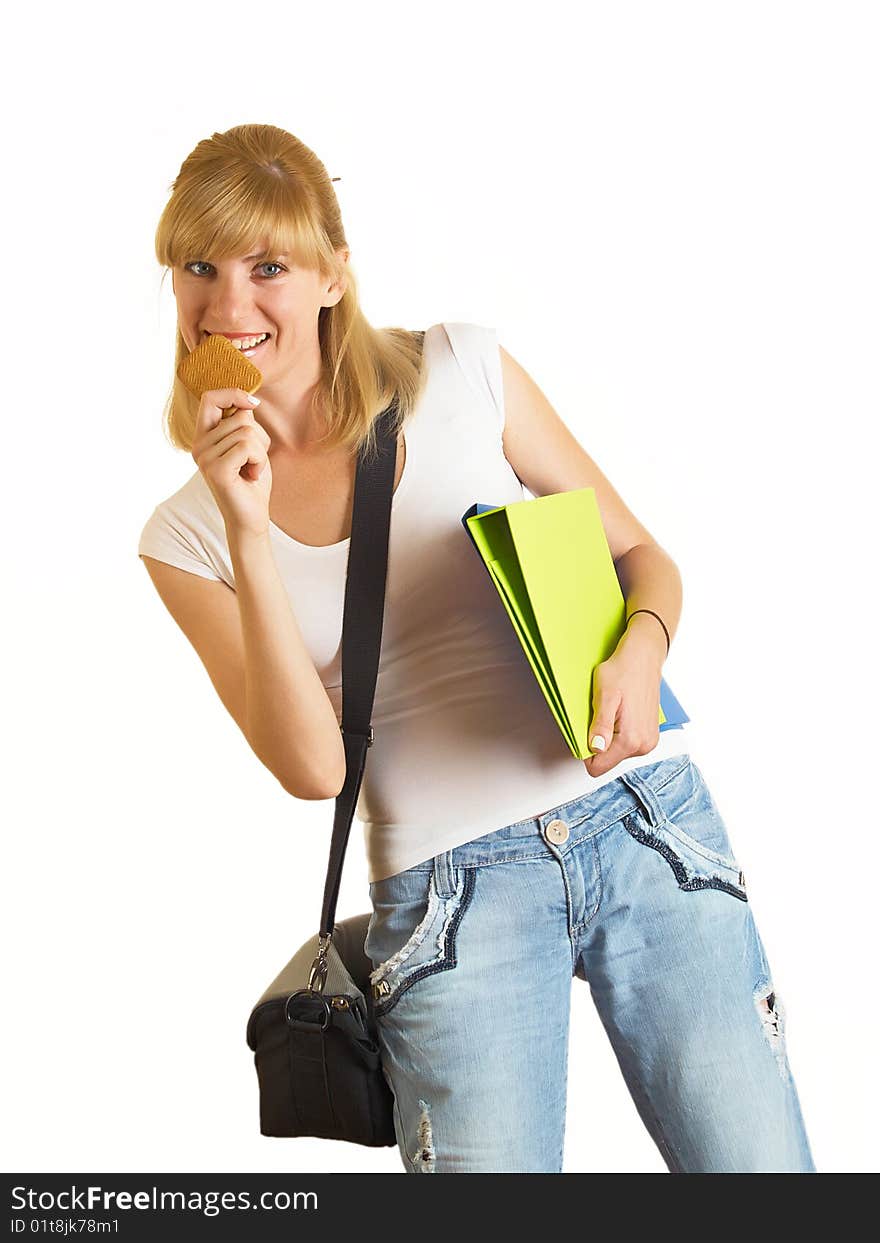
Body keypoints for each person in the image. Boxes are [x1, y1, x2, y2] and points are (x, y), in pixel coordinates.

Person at [138, 123, 816, 1173]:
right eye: (199, 267)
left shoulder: (462, 367)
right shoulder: (184, 536)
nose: (228, 304)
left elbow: (642, 556)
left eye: (267, 266)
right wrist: (246, 529)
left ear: (331, 276)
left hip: (640, 829)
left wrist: (637, 653)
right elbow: (313, 768)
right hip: (450, 898)